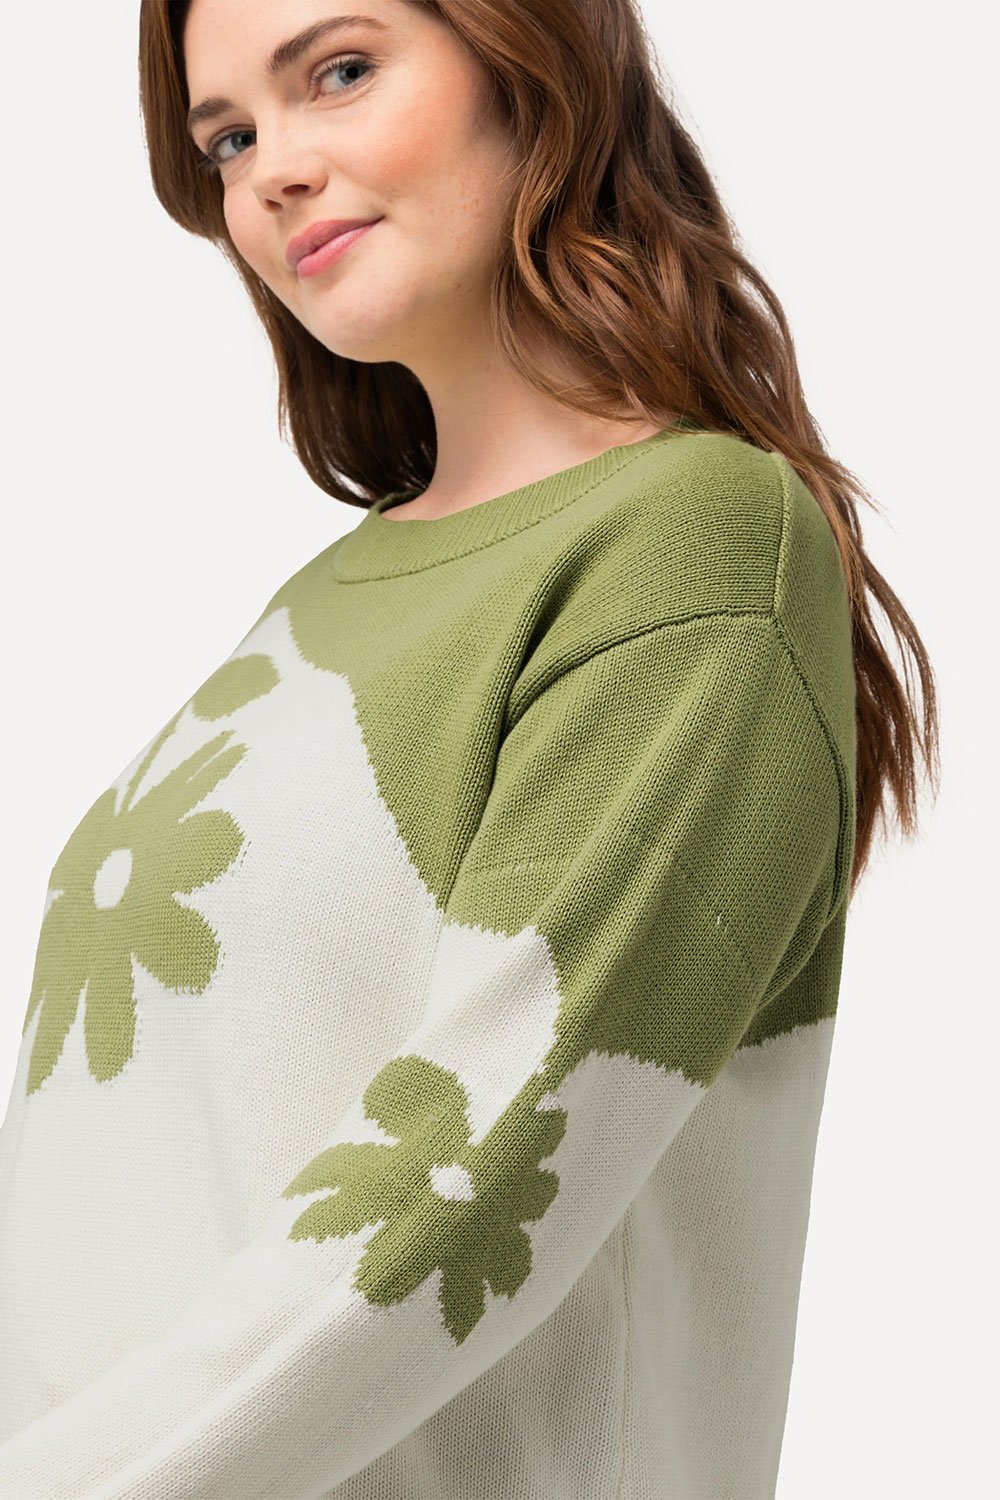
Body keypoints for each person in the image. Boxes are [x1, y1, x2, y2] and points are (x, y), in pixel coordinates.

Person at [0, 1, 940, 1495]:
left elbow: (469, 1183)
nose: (271, 170)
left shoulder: (691, 544)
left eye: (340, 72)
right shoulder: (322, 601)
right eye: (227, 138)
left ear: (532, 63)